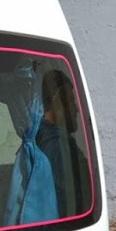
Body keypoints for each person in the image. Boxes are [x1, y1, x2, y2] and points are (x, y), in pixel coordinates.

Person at [37, 67, 92, 217]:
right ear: (57, 103)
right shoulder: (57, 146)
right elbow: (67, 208)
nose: (77, 110)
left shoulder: (38, 139)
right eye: (72, 101)